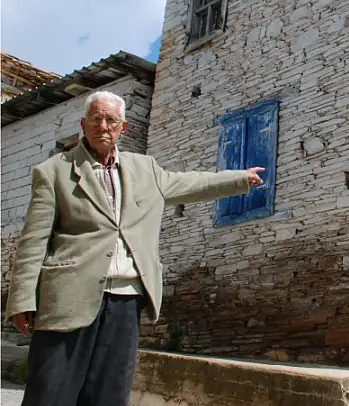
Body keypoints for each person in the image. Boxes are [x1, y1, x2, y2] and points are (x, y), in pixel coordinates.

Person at [4, 90, 265, 406]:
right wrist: (22, 298)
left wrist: (240, 179)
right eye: (96, 119)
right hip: (68, 296)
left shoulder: (145, 169)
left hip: (126, 301)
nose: (103, 126)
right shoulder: (54, 171)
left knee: (109, 394)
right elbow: (34, 239)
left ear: (123, 128)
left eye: (111, 120)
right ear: (83, 125)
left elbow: (191, 183)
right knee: (50, 393)